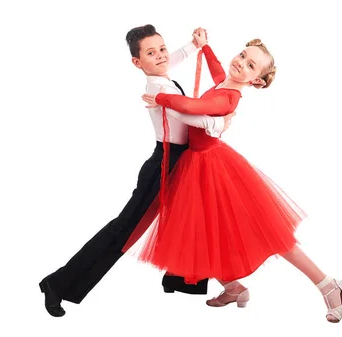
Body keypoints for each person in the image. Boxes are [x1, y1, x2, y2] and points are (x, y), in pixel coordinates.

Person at [124, 31, 342, 323]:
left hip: (216, 168)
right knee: (203, 232)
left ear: (255, 81)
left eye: (251, 66)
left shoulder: (228, 97)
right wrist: (205, 48)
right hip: (195, 165)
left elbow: (193, 107)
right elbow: (219, 71)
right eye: (242, 55)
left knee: (270, 233)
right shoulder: (226, 81)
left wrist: (161, 97)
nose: (242, 63)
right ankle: (233, 288)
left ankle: (328, 285)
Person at [38, 24, 234, 317]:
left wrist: (194, 46)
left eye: (162, 49)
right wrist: (220, 123)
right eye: (151, 53)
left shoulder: (161, 73)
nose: (161, 56)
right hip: (164, 165)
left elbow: (173, 59)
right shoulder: (157, 88)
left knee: (190, 219)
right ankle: (58, 284)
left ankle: (179, 278)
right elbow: (188, 114)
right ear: (137, 62)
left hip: (183, 160)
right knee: (124, 231)